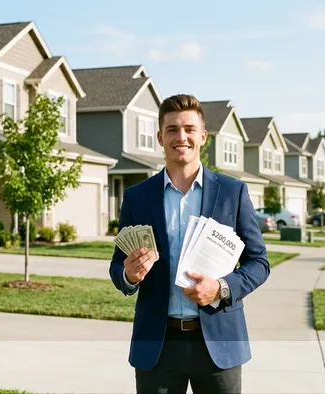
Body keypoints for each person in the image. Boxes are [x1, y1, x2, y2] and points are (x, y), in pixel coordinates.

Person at [108, 93, 270, 393]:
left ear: (203, 136)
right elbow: (118, 267)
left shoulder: (232, 193)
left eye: (189, 129)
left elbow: (259, 263)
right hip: (158, 346)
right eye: (172, 129)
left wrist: (221, 288)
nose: (180, 137)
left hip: (219, 344)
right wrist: (129, 275)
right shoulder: (137, 197)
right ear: (159, 136)